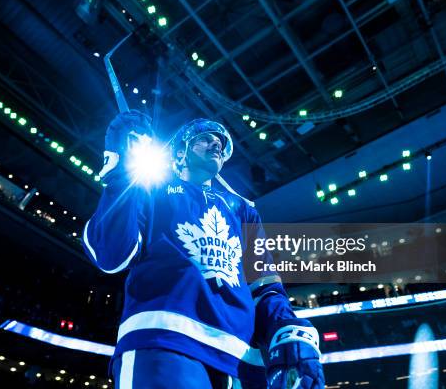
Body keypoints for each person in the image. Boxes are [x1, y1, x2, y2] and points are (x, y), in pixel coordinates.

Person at [82, 111, 324, 388]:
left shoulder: (244, 210)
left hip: (241, 364)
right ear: (181, 153)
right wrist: (121, 175)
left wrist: (285, 329)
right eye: (205, 139)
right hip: (165, 343)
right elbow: (110, 255)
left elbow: (264, 288)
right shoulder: (150, 189)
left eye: (219, 141)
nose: (216, 144)